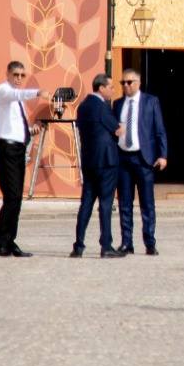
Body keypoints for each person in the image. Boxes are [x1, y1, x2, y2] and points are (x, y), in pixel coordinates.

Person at [113, 67, 169, 255]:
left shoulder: (150, 102)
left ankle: (150, 242)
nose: (126, 86)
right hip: (123, 158)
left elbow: (159, 130)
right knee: (124, 203)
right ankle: (126, 242)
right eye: (123, 83)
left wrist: (163, 155)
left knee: (147, 203)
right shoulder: (118, 104)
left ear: (138, 83)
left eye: (129, 82)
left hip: (144, 158)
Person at [0, 60, 42, 257]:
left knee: (16, 198)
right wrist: (38, 92)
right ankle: (0, 242)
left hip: (18, 148)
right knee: (12, 196)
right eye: (16, 75)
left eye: (22, 75)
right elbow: (17, 94)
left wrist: (30, 130)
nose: (19, 79)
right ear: (8, 74)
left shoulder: (18, 100)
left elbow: (15, 126)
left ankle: (8, 240)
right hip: (7, 149)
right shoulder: (3, 91)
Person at [71, 73, 125, 258]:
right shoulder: (101, 107)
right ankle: (106, 246)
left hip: (89, 161)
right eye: (111, 87)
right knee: (106, 203)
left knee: (86, 203)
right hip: (106, 161)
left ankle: (78, 245)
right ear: (101, 88)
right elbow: (117, 130)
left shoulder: (83, 106)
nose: (113, 90)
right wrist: (121, 127)